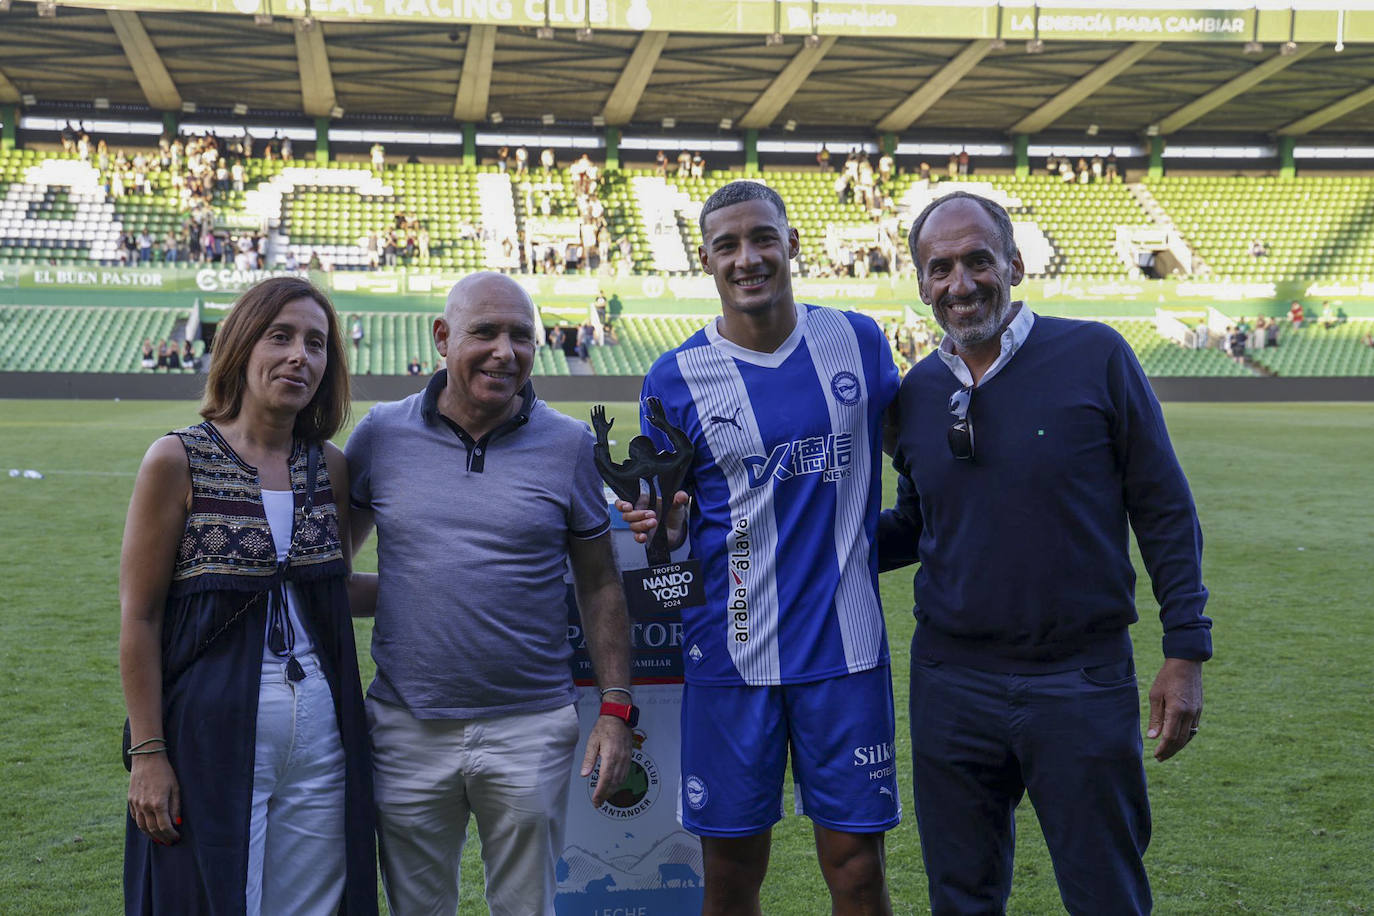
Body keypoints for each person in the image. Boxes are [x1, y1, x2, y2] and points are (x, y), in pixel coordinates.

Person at [879, 191, 1211, 915]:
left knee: (1106, 896)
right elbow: (918, 523)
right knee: (961, 897)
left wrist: (1185, 651)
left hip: (1080, 682)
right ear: (922, 284)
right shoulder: (916, 393)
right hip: (950, 684)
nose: (960, 284)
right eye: (940, 268)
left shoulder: (1094, 355)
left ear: (1015, 264)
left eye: (977, 261)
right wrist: (795, 541)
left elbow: (1163, 506)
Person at [617, 181, 901, 915]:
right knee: (732, 876)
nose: (748, 259)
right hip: (731, 657)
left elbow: (922, 464)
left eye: (762, 238)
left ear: (792, 243)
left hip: (846, 654)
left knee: (857, 870)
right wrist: (666, 533)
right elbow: (669, 532)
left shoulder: (860, 342)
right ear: (706, 260)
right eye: (728, 246)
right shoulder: (673, 378)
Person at [344, 272, 633, 915]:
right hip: (406, 725)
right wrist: (418, 596)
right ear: (443, 337)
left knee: (527, 908)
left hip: (529, 726)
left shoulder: (568, 445)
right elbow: (329, 572)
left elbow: (600, 584)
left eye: (522, 337)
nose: (506, 352)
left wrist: (616, 707)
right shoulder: (380, 436)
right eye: (486, 332)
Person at [120, 277, 376, 914]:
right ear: (240, 345)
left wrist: (451, 592)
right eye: (280, 336)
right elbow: (141, 616)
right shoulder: (176, 460)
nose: (300, 356)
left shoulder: (331, 467)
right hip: (211, 728)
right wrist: (147, 754)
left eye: (316, 344)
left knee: (315, 902)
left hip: (323, 729)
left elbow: (330, 591)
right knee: (210, 897)